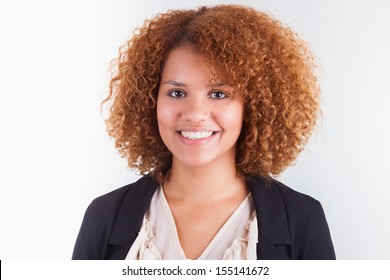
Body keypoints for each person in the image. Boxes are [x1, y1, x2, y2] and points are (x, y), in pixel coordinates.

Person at [72, 4, 335, 260]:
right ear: (149, 102)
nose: (195, 113)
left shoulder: (303, 219)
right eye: (177, 93)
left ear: (255, 106)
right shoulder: (104, 217)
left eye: (218, 94)